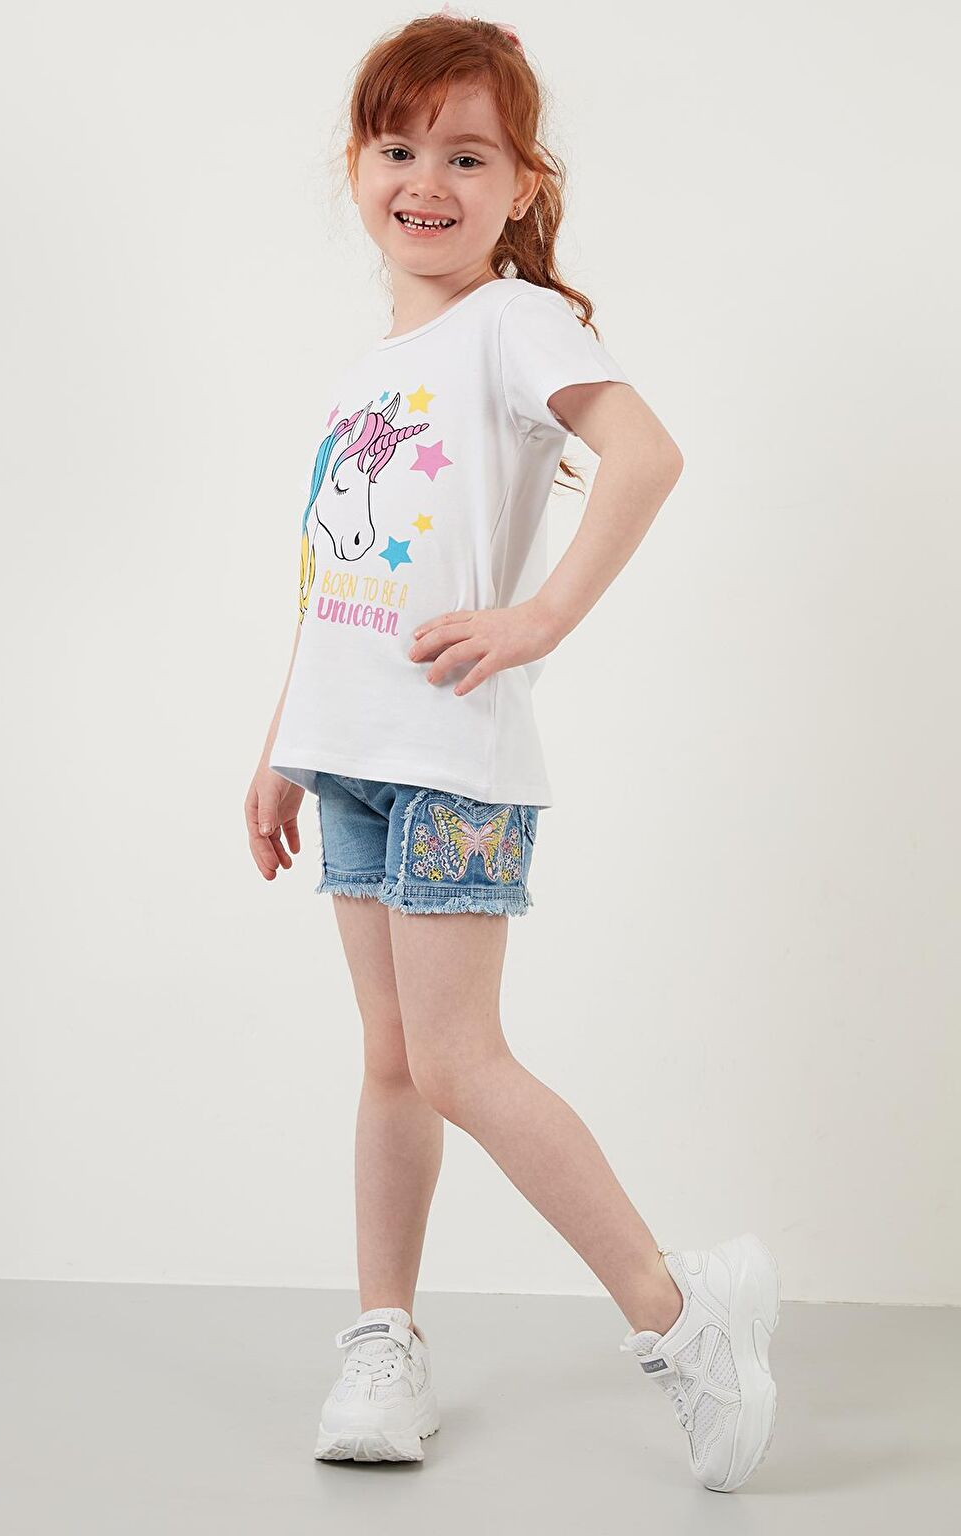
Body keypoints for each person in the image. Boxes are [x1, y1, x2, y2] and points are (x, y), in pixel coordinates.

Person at [244, 6, 780, 1491]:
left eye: (467, 154)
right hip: (353, 758)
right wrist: (285, 742)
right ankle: (384, 1341)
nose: (428, 179)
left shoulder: (514, 321)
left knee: (460, 1061)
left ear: (522, 183)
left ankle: (681, 1319)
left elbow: (648, 454)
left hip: (448, 761)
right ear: (356, 168)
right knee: (394, 1063)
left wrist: (540, 616)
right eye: (398, 147)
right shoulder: (371, 366)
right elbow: (333, 578)